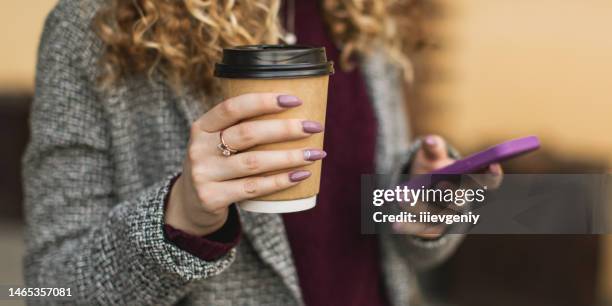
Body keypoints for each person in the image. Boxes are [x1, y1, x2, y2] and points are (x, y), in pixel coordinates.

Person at [23, 0, 502, 305]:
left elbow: (386, 248)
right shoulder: (93, 27)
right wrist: (181, 218)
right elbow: (49, 290)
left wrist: (417, 210)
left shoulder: (361, 17)